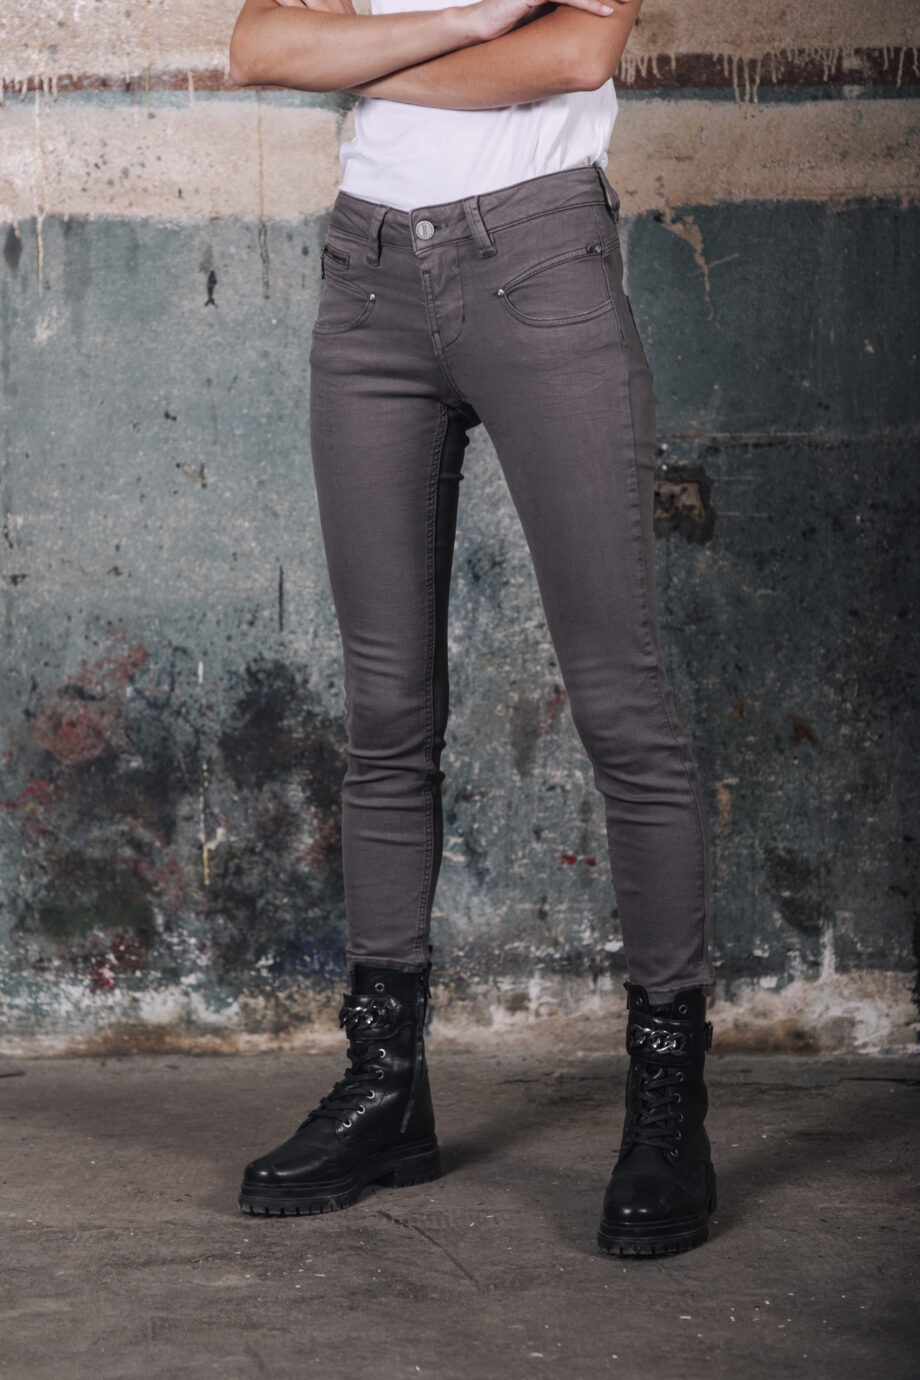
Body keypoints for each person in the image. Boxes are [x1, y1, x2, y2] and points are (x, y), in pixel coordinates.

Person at [227, 0, 717, 1256]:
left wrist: (368, 62)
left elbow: (576, 53)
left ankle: (666, 1105)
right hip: (366, 282)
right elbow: (261, 47)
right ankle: (386, 1088)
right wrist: (468, 22)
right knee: (384, 711)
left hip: (538, 263)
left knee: (619, 703)